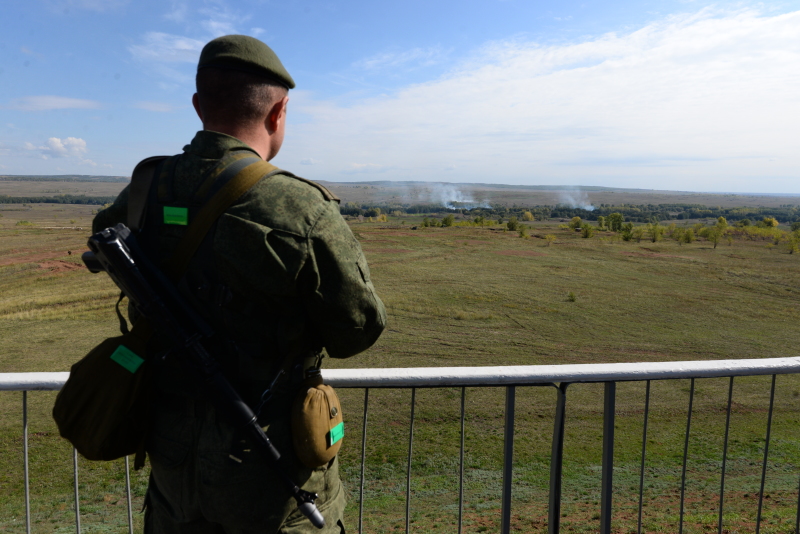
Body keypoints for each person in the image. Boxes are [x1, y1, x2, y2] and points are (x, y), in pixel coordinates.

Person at [92, 34, 386, 533]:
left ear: (197, 105)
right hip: (271, 476)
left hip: (172, 468)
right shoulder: (300, 207)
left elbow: (102, 242)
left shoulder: (148, 187)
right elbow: (356, 330)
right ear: (279, 112)